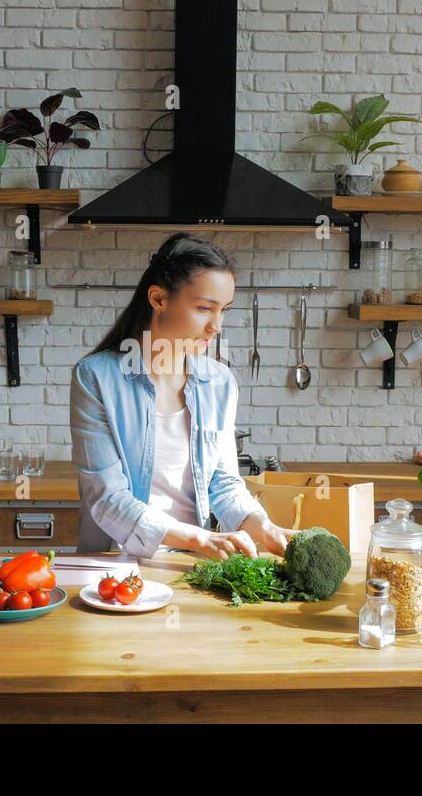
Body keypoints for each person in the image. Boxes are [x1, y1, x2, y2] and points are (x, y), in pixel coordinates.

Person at [70, 233, 295, 559]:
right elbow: (107, 499)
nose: (216, 326)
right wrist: (199, 538)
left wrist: (259, 523)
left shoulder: (219, 383)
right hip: (116, 564)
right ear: (159, 299)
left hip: (197, 564)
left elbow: (225, 483)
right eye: (205, 308)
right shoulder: (96, 377)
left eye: (224, 310)